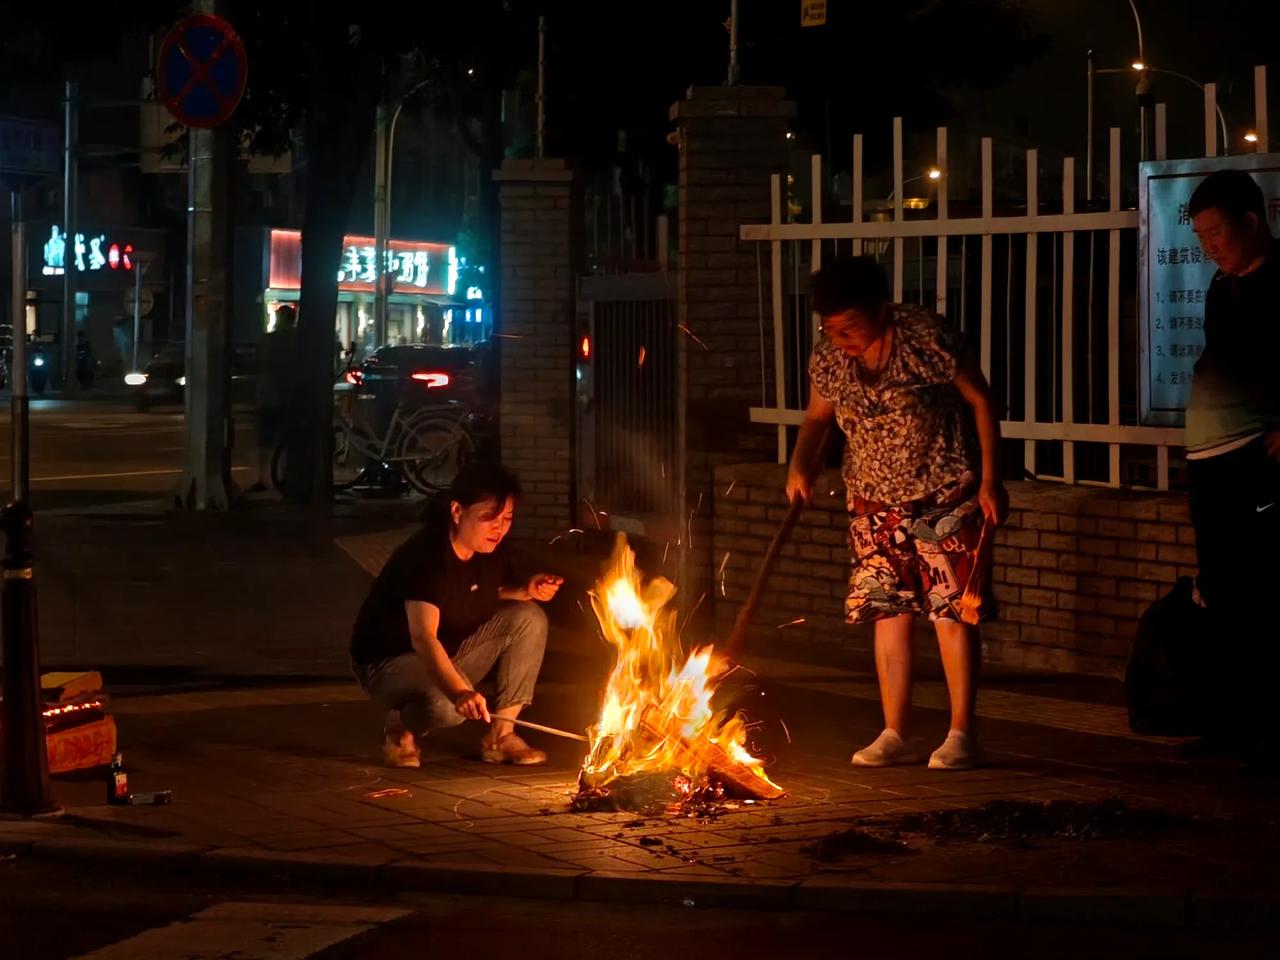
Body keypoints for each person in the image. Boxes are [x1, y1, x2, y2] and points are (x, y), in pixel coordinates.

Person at [786, 256, 1007, 771]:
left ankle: (961, 732)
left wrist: (993, 479)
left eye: (850, 326)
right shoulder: (830, 359)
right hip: (872, 500)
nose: (840, 337)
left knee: (951, 612)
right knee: (887, 611)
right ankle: (895, 731)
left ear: (881, 309)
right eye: (830, 328)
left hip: (944, 491)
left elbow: (981, 402)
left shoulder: (925, 338)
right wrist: (801, 467)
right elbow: (817, 421)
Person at [349, 463, 564, 768]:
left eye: (507, 519)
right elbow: (423, 637)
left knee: (528, 617)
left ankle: (501, 737)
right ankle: (399, 722)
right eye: (488, 518)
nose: (499, 528)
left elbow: (479, 590)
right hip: (389, 662)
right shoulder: (426, 557)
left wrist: (526, 589)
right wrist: (460, 692)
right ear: (456, 511)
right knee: (448, 707)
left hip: (447, 652)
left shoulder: (489, 551)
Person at [1185, 170, 1280, 765]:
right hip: (1212, 458)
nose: (1209, 246)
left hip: (1261, 459)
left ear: (1252, 219)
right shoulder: (1223, 288)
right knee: (1219, 586)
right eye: (1200, 236)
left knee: (1263, 586)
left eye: (1217, 231)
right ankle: (1229, 727)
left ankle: (1266, 730)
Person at [250, 304, 296, 492]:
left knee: (266, 441)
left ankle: (263, 478)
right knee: (286, 440)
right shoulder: (297, 340)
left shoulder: (269, 341)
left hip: (270, 396)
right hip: (288, 396)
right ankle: (284, 476)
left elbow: (258, 364)